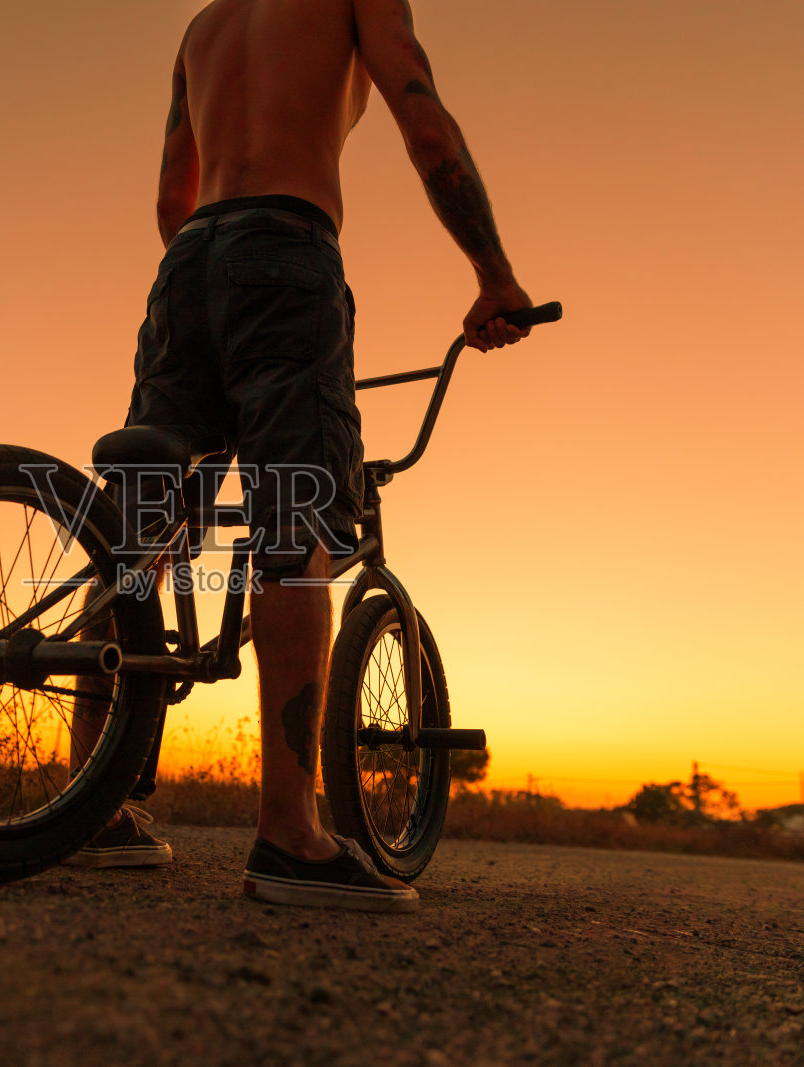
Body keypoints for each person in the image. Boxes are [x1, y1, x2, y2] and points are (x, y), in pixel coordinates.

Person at [67, 0, 536, 912]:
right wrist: (495, 276)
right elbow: (427, 129)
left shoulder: (204, 28)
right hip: (287, 249)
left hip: (185, 266)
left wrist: (214, 286)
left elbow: (170, 201)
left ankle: (91, 806)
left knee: (142, 531)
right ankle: (290, 833)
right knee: (295, 528)